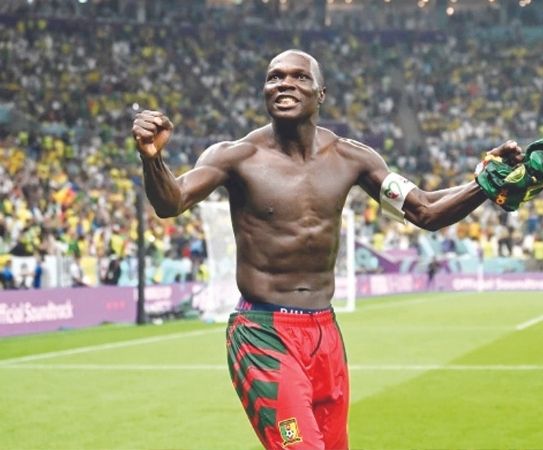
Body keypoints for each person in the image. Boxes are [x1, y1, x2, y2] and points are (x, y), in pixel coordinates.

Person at [132, 49, 523, 450]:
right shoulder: (235, 157)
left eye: (299, 77)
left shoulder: (353, 158)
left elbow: (424, 210)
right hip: (263, 333)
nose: (284, 83)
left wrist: (487, 184)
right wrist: (153, 159)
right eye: (274, 77)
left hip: (325, 334)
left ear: (321, 93)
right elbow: (171, 202)